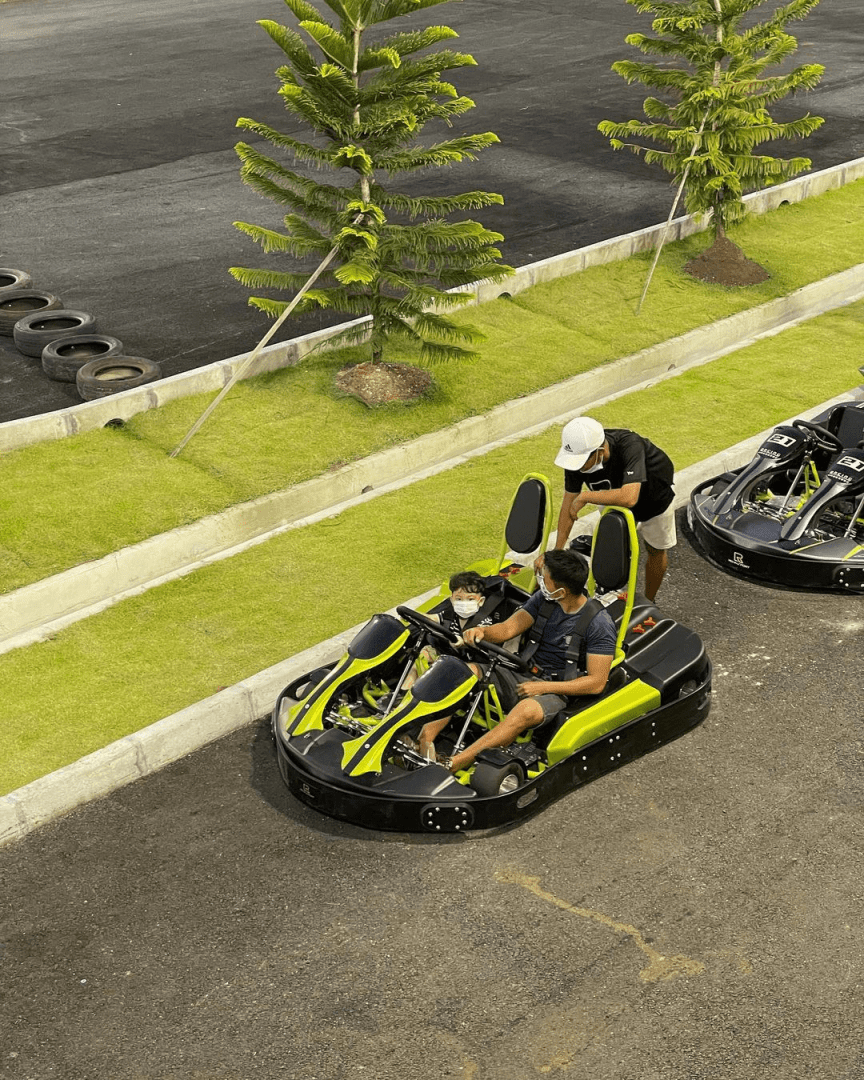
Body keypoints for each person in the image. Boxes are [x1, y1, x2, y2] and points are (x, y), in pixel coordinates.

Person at [419, 549, 617, 771]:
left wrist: (543, 687)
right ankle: (425, 741)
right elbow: (508, 628)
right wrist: (483, 632)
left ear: (562, 591)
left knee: (526, 711)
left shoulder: (599, 624)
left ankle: (454, 764)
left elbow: (596, 682)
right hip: (523, 671)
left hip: (557, 689)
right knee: (463, 673)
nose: (540, 581)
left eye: (545, 579)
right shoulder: (544, 599)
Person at [553, 416, 675, 601]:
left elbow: (629, 497)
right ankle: (607, 588)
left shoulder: (630, 445)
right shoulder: (577, 458)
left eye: (582, 461)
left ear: (600, 451)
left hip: (654, 497)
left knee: (655, 550)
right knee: (612, 546)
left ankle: (648, 600)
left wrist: (586, 496)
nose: (578, 467)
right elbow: (568, 504)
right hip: (613, 495)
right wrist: (556, 553)